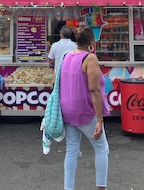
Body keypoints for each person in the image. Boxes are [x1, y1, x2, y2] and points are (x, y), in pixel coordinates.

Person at [59, 27, 109, 190]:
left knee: (72, 150)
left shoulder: (67, 56)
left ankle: (69, 187)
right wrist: (100, 120)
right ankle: (101, 187)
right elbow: (94, 90)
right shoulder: (90, 59)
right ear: (90, 43)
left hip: (67, 109)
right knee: (101, 148)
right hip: (83, 110)